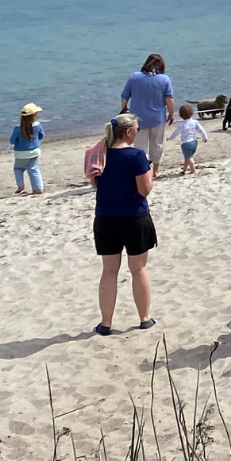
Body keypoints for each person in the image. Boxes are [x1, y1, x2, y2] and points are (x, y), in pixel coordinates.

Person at [89, 113, 156, 336]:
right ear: (128, 132)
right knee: (138, 269)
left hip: (106, 218)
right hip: (134, 217)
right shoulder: (136, 155)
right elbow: (144, 190)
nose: (138, 131)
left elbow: (96, 184)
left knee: (109, 271)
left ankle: (106, 322)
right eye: (136, 129)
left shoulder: (99, 153)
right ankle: (144, 318)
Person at [119, 54, 174, 168]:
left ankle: (143, 170)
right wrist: (171, 114)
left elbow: (124, 96)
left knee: (140, 146)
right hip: (158, 117)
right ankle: (155, 170)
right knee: (157, 144)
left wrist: (124, 109)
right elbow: (169, 99)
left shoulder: (134, 77)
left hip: (138, 119)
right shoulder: (164, 79)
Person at [10, 103, 44, 196]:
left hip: (21, 153)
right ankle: (38, 188)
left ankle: (20, 186)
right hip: (34, 150)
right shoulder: (38, 125)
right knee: (34, 169)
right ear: (34, 115)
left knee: (18, 168)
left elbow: (12, 141)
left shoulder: (17, 128)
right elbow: (41, 136)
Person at [167, 104, 208, 175]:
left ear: (180, 115)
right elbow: (201, 130)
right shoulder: (195, 122)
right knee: (187, 157)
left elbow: (176, 132)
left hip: (186, 143)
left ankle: (193, 170)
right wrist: (204, 137)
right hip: (194, 142)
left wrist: (170, 138)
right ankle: (184, 169)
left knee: (189, 157)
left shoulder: (181, 124)